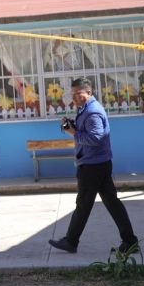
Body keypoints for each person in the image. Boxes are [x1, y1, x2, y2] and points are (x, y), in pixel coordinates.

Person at [48, 77, 139, 255]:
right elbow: (89, 132)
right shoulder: (86, 109)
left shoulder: (92, 112)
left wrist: (73, 132)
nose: (74, 97)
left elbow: (96, 138)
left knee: (84, 204)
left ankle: (71, 241)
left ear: (88, 92)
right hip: (98, 163)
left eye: (78, 94)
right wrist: (74, 126)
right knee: (112, 203)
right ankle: (130, 241)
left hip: (93, 166)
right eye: (72, 94)